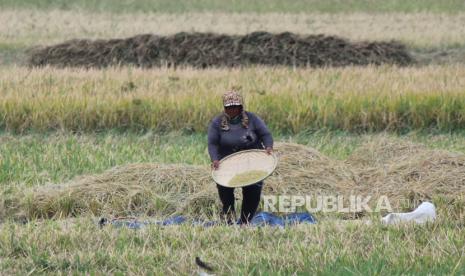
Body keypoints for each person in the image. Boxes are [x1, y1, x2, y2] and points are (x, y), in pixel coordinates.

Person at [207, 90, 273, 224]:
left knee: (252, 192)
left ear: (240, 106)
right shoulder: (217, 122)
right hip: (227, 162)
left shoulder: (253, 119)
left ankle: (245, 222)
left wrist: (268, 146)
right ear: (225, 108)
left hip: (252, 162)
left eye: (235, 107)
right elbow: (212, 143)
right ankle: (228, 220)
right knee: (225, 192)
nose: (232, 110)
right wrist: (214, 159)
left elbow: (266, 134)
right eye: (229, 107)